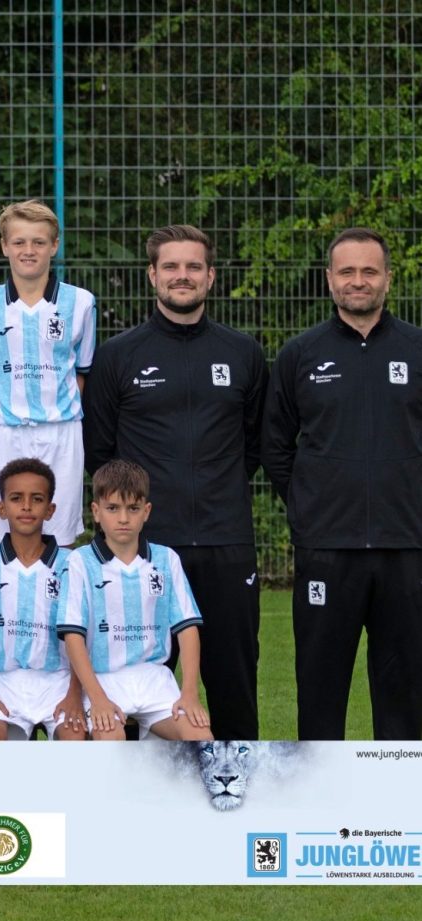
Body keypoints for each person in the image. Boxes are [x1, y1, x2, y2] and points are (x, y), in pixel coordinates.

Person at [83, 224, 266, 740]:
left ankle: (238, 783)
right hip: (143, 548)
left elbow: (254, 444)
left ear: (210, 276)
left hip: (225, 540)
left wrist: (214, 489)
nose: (181, 276)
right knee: (133, 686)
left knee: (233, 682)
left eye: (192, 267)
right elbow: (100, 454)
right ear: (152, 275)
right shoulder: (118, 355)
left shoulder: (243, 353)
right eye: (171, 266)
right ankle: (135, 788)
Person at [263, 227, 422, 740]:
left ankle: (400, 785)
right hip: (326, 549)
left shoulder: (416, 349)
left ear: (388, 279)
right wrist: (310, 504)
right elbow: (275, 445)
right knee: (320, 687)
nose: (358, 281)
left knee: (406, 692)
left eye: (369, 271)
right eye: (347, 271)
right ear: (330, 279)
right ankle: (321, 785)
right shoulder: (300, 354)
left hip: (407, 547)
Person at [57, 460, 213, 741]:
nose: (123, 518)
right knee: (111, 739)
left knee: (200, 739)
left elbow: (187, 628)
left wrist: (190, 692)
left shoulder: (166, 559)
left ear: (146, 512)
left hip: (155, 680)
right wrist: (97, 698)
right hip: (102, 681)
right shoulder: (79, 561)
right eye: (112, 508)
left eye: (133, 508)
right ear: (96, 512)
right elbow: (73, 637)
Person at [0, 200, 95, 546]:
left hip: (61, 432)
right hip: (5, 432)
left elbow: (82, 371)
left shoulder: (81, 302)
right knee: (5, 534)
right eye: (19, 242)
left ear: (54, 246)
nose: (29, 250)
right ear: (4, 246)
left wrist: (57, 410)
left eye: (39, 242)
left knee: (59, 534)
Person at [0, 459, 86, 741]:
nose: (27, 506)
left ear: (50, 509)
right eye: (17, 498)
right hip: (1, 679)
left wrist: (74, 693)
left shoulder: (71, 562)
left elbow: (80, 635)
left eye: (37, 499)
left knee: (74, 735)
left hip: (58, 680)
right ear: (1, 507)